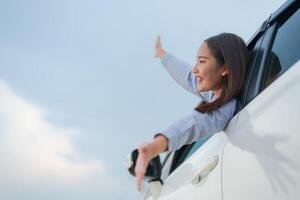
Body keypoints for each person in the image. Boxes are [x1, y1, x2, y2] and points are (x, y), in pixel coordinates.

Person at [134, 33, 250, 192]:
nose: (195, 68)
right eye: (197, 61)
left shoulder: (225, 108)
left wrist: (155, 147)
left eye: (202, 61)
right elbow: (185, 75)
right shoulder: (215, 93)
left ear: (224, 69)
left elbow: (195, 124)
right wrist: (162, 54)